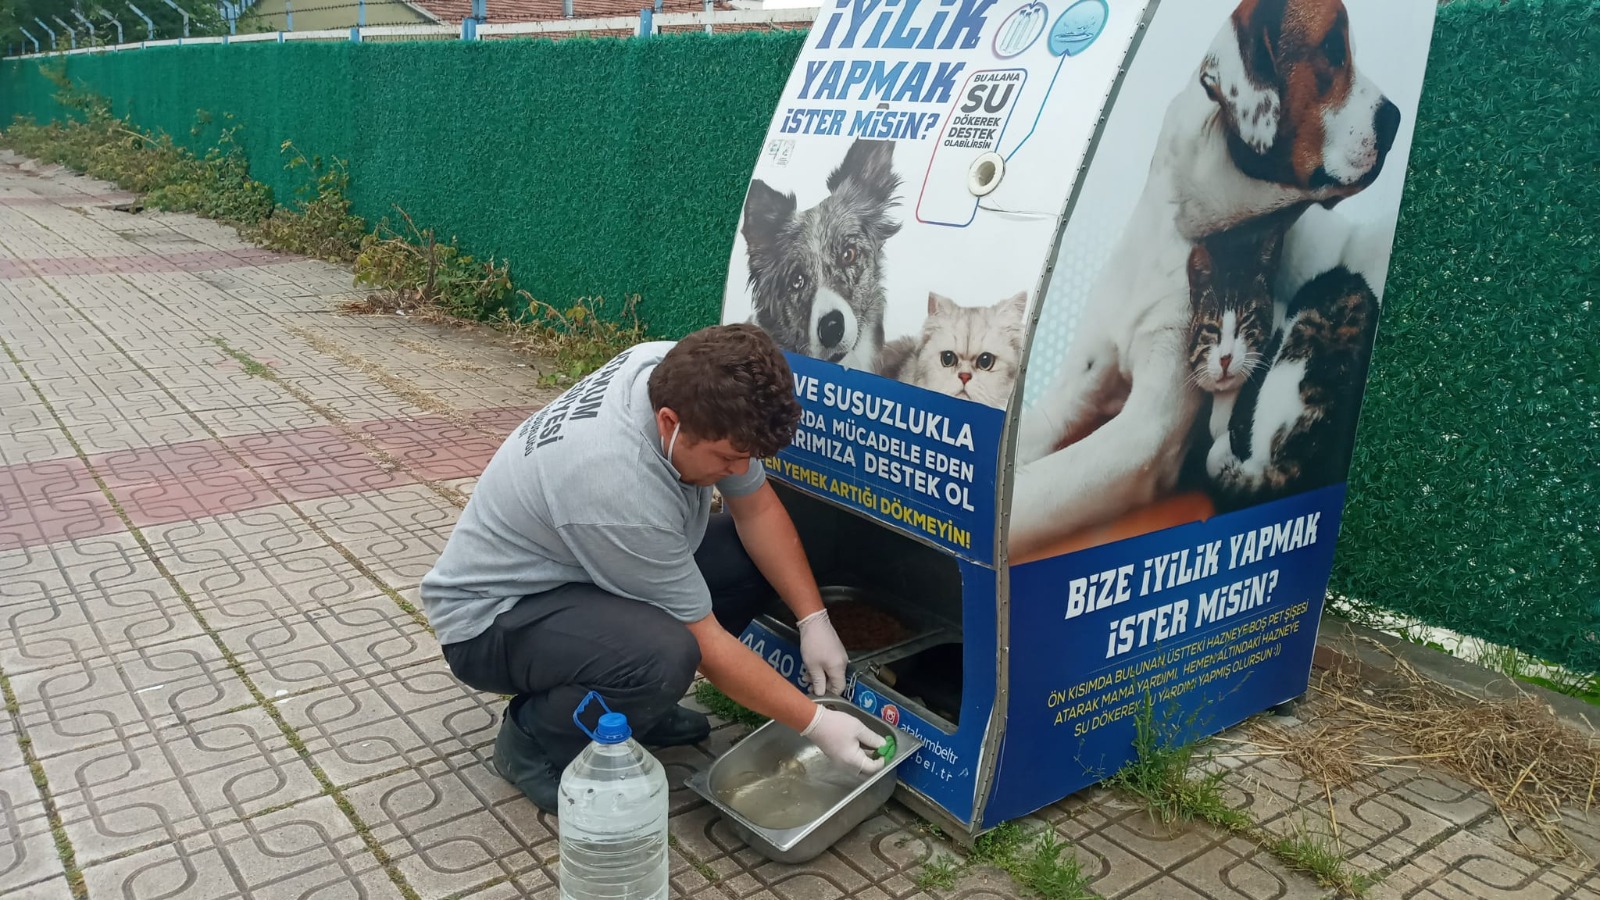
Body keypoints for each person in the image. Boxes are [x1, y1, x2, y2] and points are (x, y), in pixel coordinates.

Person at [419, 323, 885, 813]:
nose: (737, 470)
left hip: (577, 571)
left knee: (747, 562)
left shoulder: (676, 372)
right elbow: (706, 643)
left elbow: (757, 510)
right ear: (669, 422)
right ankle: (534, 741)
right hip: (492, 621)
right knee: (664, 655)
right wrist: (816, 723)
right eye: (727, 458)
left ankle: (637, 707)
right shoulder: (617, 488)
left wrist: (814, 618)